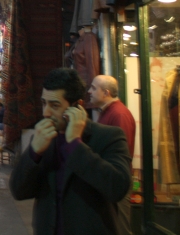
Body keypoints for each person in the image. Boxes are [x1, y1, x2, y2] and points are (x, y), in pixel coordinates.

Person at [10, 68, 131, 235]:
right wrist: (34, 153)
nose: (46, 113)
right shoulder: (44, 139)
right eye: (44, 103)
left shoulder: (108, 137)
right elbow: (19, 191)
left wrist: (75, 145)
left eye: (55, 105)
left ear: (76, 106)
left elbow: (117, 188)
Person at [88, 75, 136, 235]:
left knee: (119, 227)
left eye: (94, 88)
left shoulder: (119, 114)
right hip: (108, 179)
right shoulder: (108, 112)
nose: (89, 91)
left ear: (106, 92)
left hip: (116, 180)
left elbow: (121, 153)